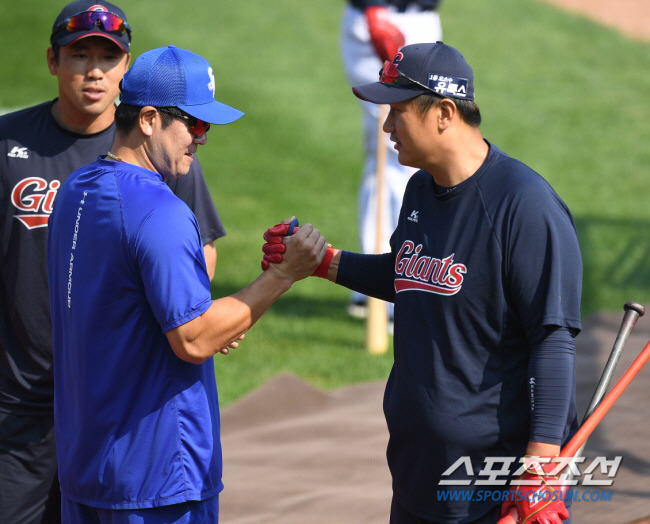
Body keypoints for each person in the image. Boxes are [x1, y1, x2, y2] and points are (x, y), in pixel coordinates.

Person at [264, 42, 582, 523]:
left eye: (397, 111)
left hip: (491, 486)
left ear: (444, 113)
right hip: (419, 473)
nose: (387, 127)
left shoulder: (523, 204)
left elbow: (552, 338)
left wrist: (540, 464)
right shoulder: (421, 188)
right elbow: (410, 277)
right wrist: (324, 262)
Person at [47, 45, 327, 523]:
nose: (202, 139)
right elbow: (193, 338)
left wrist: (224, 316)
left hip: (87, 463)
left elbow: (122, 305)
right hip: (157, 476)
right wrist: (282, 275)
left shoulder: (75, 190)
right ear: (150, 119)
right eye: (194, 124)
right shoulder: (162, 213)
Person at [0, 2, 226, 523]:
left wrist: (193, 309)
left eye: (110, 56)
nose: (95, 69)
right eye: (81, 54)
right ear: (53, 60)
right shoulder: (10, 144)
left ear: (126, 70)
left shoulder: (163, 155)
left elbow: (198, 255)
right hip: (22, 400)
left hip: (116, 403)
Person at [340, 0, 443, 320]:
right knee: (396, 153)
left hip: (424, 22)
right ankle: (385, 289)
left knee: (407, 155)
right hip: (373, 18)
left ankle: (387, 286)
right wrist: (373, 9)